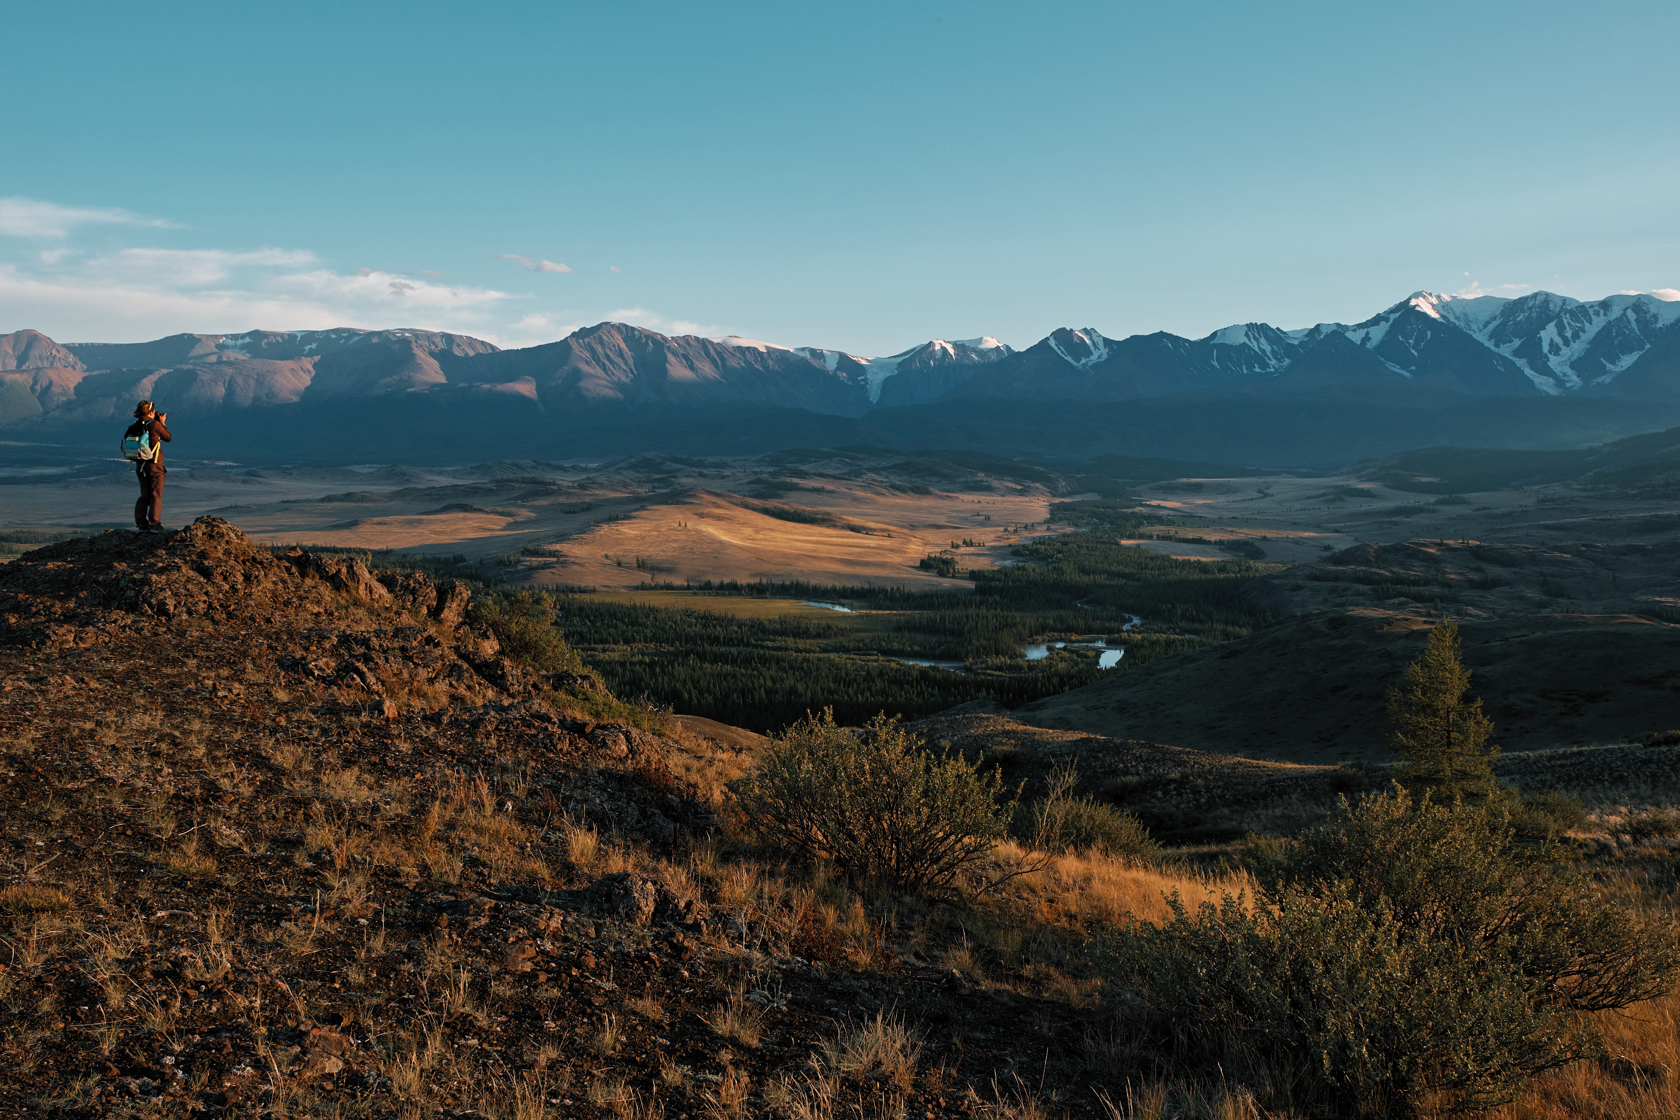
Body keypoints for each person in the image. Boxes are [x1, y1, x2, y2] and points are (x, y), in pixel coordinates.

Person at [125, 400, 172, 532]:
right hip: (154, 464)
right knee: (156, 494)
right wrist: (162, 422)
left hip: (140, 465)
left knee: (144, 494)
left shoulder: (134, 426)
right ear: (151, 412)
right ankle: (154, 523)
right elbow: (167, 437)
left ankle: (141, 523)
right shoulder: (154, 425)